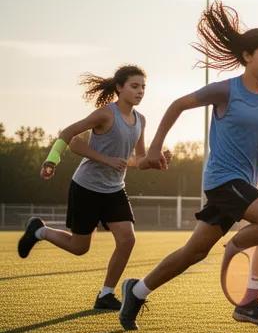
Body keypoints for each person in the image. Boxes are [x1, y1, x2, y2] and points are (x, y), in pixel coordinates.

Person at [118, 2, 258, 330]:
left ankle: (137, 290)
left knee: (194, 252)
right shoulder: (225, 90)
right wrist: (156, 147)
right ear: (247, 56)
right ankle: (244, 284)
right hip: (221, 179)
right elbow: (178, 105)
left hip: (241, 183)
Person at [18, 65, 170, 310]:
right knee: (80, 248)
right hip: (86, 187)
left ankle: (105, 295)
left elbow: (138, 160)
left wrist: (153, 161)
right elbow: (70, 136)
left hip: (114, 190)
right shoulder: (105, 115)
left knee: (127, 239)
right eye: (134, 86)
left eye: (143, 87)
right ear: (120, 88)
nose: (140, 91)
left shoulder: (141, 120)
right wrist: (52, 159)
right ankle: (39, 231)